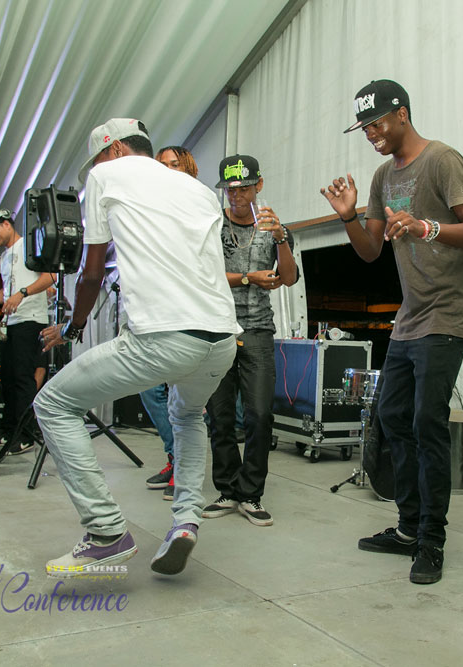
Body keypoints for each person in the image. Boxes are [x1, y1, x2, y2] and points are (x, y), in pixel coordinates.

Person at [35, 118, 239, 578]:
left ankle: (106, 532)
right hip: (221, 338)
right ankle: (185, 521)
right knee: (188, 416)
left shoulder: (106, 176)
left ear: (113, 150)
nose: (96, 167)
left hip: (164, 337)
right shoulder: (198, 190)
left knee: (53, 403)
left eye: (97, 159)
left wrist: (74, 325)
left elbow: (91, 271)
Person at [320, 79, 463, 585]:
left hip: (448, 312)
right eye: (364, 128)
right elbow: (370, 250)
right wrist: (349, 217)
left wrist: (425, 227)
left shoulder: (441, 160)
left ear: (402, 114)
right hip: (411, 316)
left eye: (376, 123)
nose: (371, 134)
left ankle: (431, 540)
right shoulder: (381, 176)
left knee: (426, 421)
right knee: (392, 414)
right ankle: (408, 527)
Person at [201, 154, 298, 528]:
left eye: (243, 188)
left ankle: (251, 493)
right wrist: (247, 278)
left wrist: (281, 238)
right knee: (221, 416)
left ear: (259, 185)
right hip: (219, 328)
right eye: (229, 189)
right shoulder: (213, 227)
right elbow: (205, 275)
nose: (236, 195)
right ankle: (227, 489)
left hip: (257, 331)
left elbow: (288, 278)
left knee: (259, 414)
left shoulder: (274, 228)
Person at [143, 145, 201, 501]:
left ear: (188, 168)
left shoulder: (199, 204)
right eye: (161, 165)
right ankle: (174, 457)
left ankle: (184, 466)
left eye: (174, 164)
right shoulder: (154, 207)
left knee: (181, 396)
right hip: (158, 310)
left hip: (190, 313)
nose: (167, 169)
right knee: (149, 387)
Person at [0, 208, 54, 454]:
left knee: (23, 378)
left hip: (31, 320)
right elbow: (7, 290)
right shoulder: (4, 256)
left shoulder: (30, 246)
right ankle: (9, 431)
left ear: (7, 224)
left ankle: (26, 435)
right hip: (11, 323)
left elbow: (50, 277)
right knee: (7, 379)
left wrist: (23, 294)